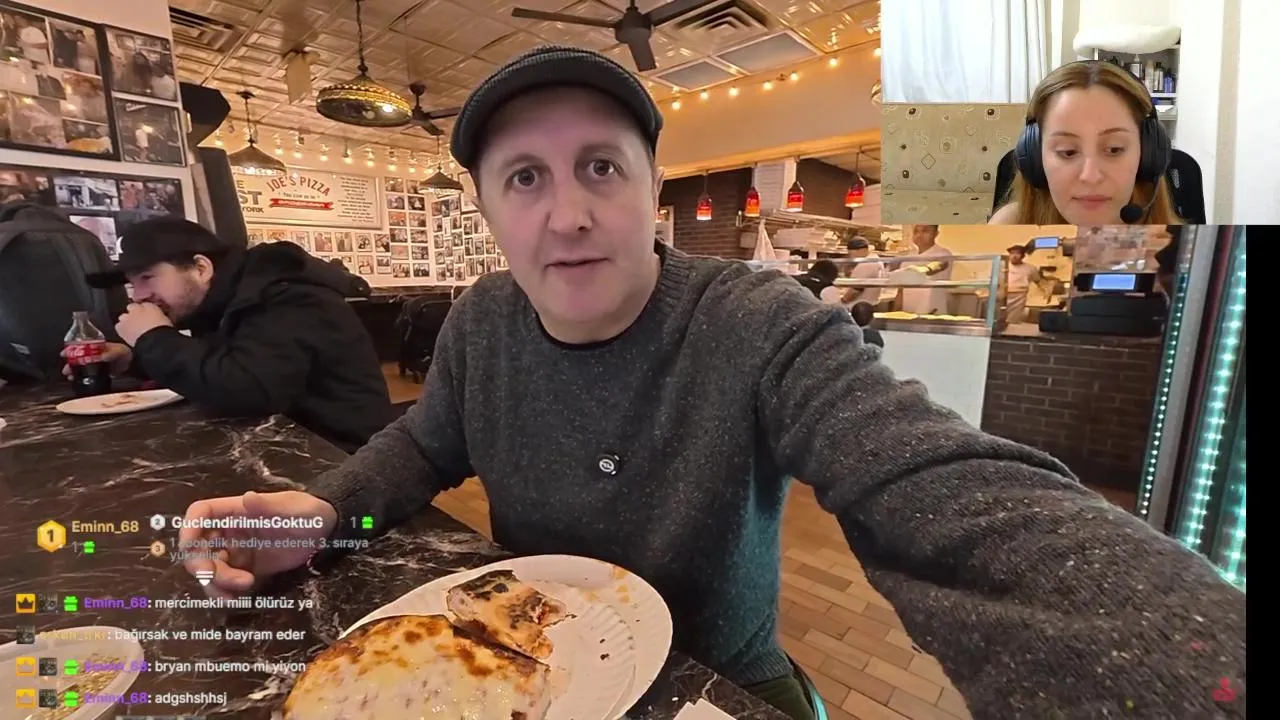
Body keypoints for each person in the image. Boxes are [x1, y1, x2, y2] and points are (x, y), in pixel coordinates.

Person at [177, 46, 1244, 720]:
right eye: (524, 179)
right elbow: (423, 445)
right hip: (519, 662)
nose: (568, 214)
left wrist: (1194, 663)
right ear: (491, 213)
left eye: (601, 167)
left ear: (651, 189)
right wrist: (323, 513)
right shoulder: (483, 320)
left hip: (721, 676)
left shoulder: (755, 321)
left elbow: (936, 484)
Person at [70, 217, 391, 452]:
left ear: (201, 268)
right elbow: (220, 361)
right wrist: (133, 359)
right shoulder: (225, 300)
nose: (139, 295)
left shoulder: (287, 297)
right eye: (132, 284)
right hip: (282, 448)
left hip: (345, 459)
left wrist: (153, 338)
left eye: (147, 278)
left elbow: (249, 390)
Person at [989, 61, 1182, 226]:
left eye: (1114, 149)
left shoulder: (1179, 244)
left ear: (1147, 154)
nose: (1091, 176)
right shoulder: (1008, 229)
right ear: (1035, 158)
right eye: (1068, 152)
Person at [899, 224, 953, 314]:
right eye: (916, 231)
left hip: (932, 312)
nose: (919, 235)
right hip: (908, 312)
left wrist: (923, 269)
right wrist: (897, 312)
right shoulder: (909, 257)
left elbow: (939, 265)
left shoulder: (942, 253)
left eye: (925, 231)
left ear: (936, 233)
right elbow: (901, 290)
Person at [842, 237, 887, 307]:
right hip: (870, 304)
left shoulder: (866, 263)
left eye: (851, 253)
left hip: (859, 306)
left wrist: (842, 301)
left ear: (861, 250)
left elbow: (855, 290)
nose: (851, 257)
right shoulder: (876, 259)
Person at [1003, 244, 1041, 323]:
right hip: (1003, 295)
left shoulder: (1031, 268)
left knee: (1013, 319)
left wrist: (1047, 290)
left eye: (1017, 253)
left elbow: (1039, 282)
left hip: (1019, 297)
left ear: (1023, 256)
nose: (1014, 256)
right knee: (1000, 317)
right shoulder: (1003, 266)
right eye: (1012, 253)